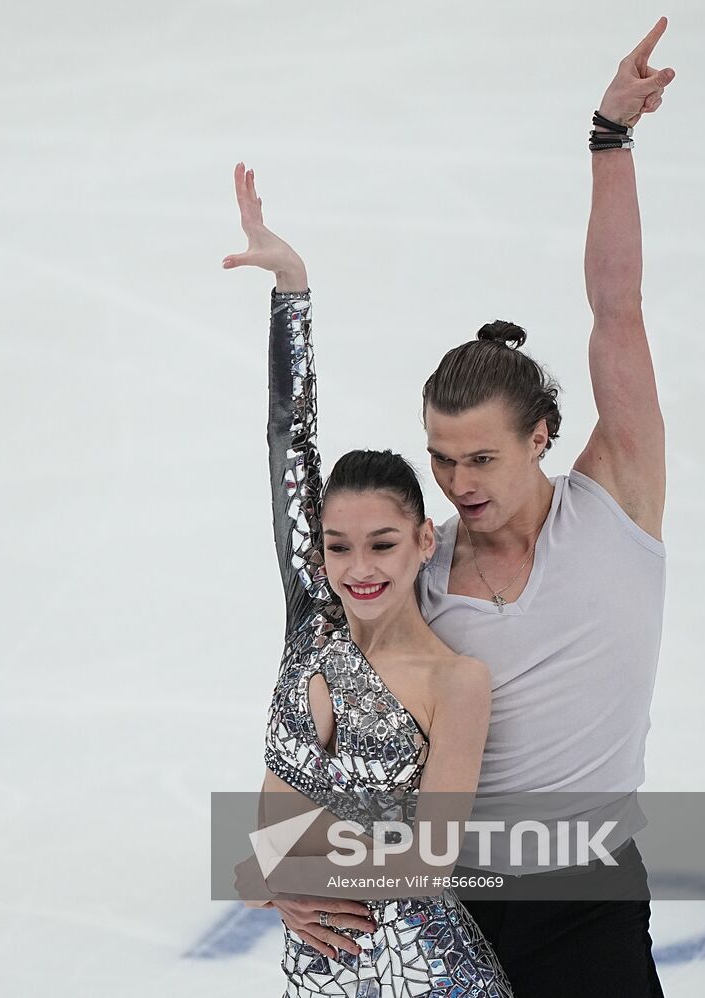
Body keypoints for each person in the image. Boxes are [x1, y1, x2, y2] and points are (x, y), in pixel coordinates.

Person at [229, 17, 678, 998]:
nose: (459, 478)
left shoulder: (616, 500)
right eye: (439, 458)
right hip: (445, 905)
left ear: (541, 436)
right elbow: (308, 726)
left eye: (480, 455)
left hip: (587, 887)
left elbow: (618, 307)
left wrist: (608, 138)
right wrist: (282, 879)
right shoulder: (413, 575)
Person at [223, 161, 513, 996]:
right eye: (338, 546)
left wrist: (274, 874)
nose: (357, 568)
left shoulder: (458, 682)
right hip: (321, 974)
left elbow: (425, 863)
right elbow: (291, 438)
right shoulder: (312, 630)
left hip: (428, 976)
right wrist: (292, 290)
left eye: (382, 545)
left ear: (425, 541)